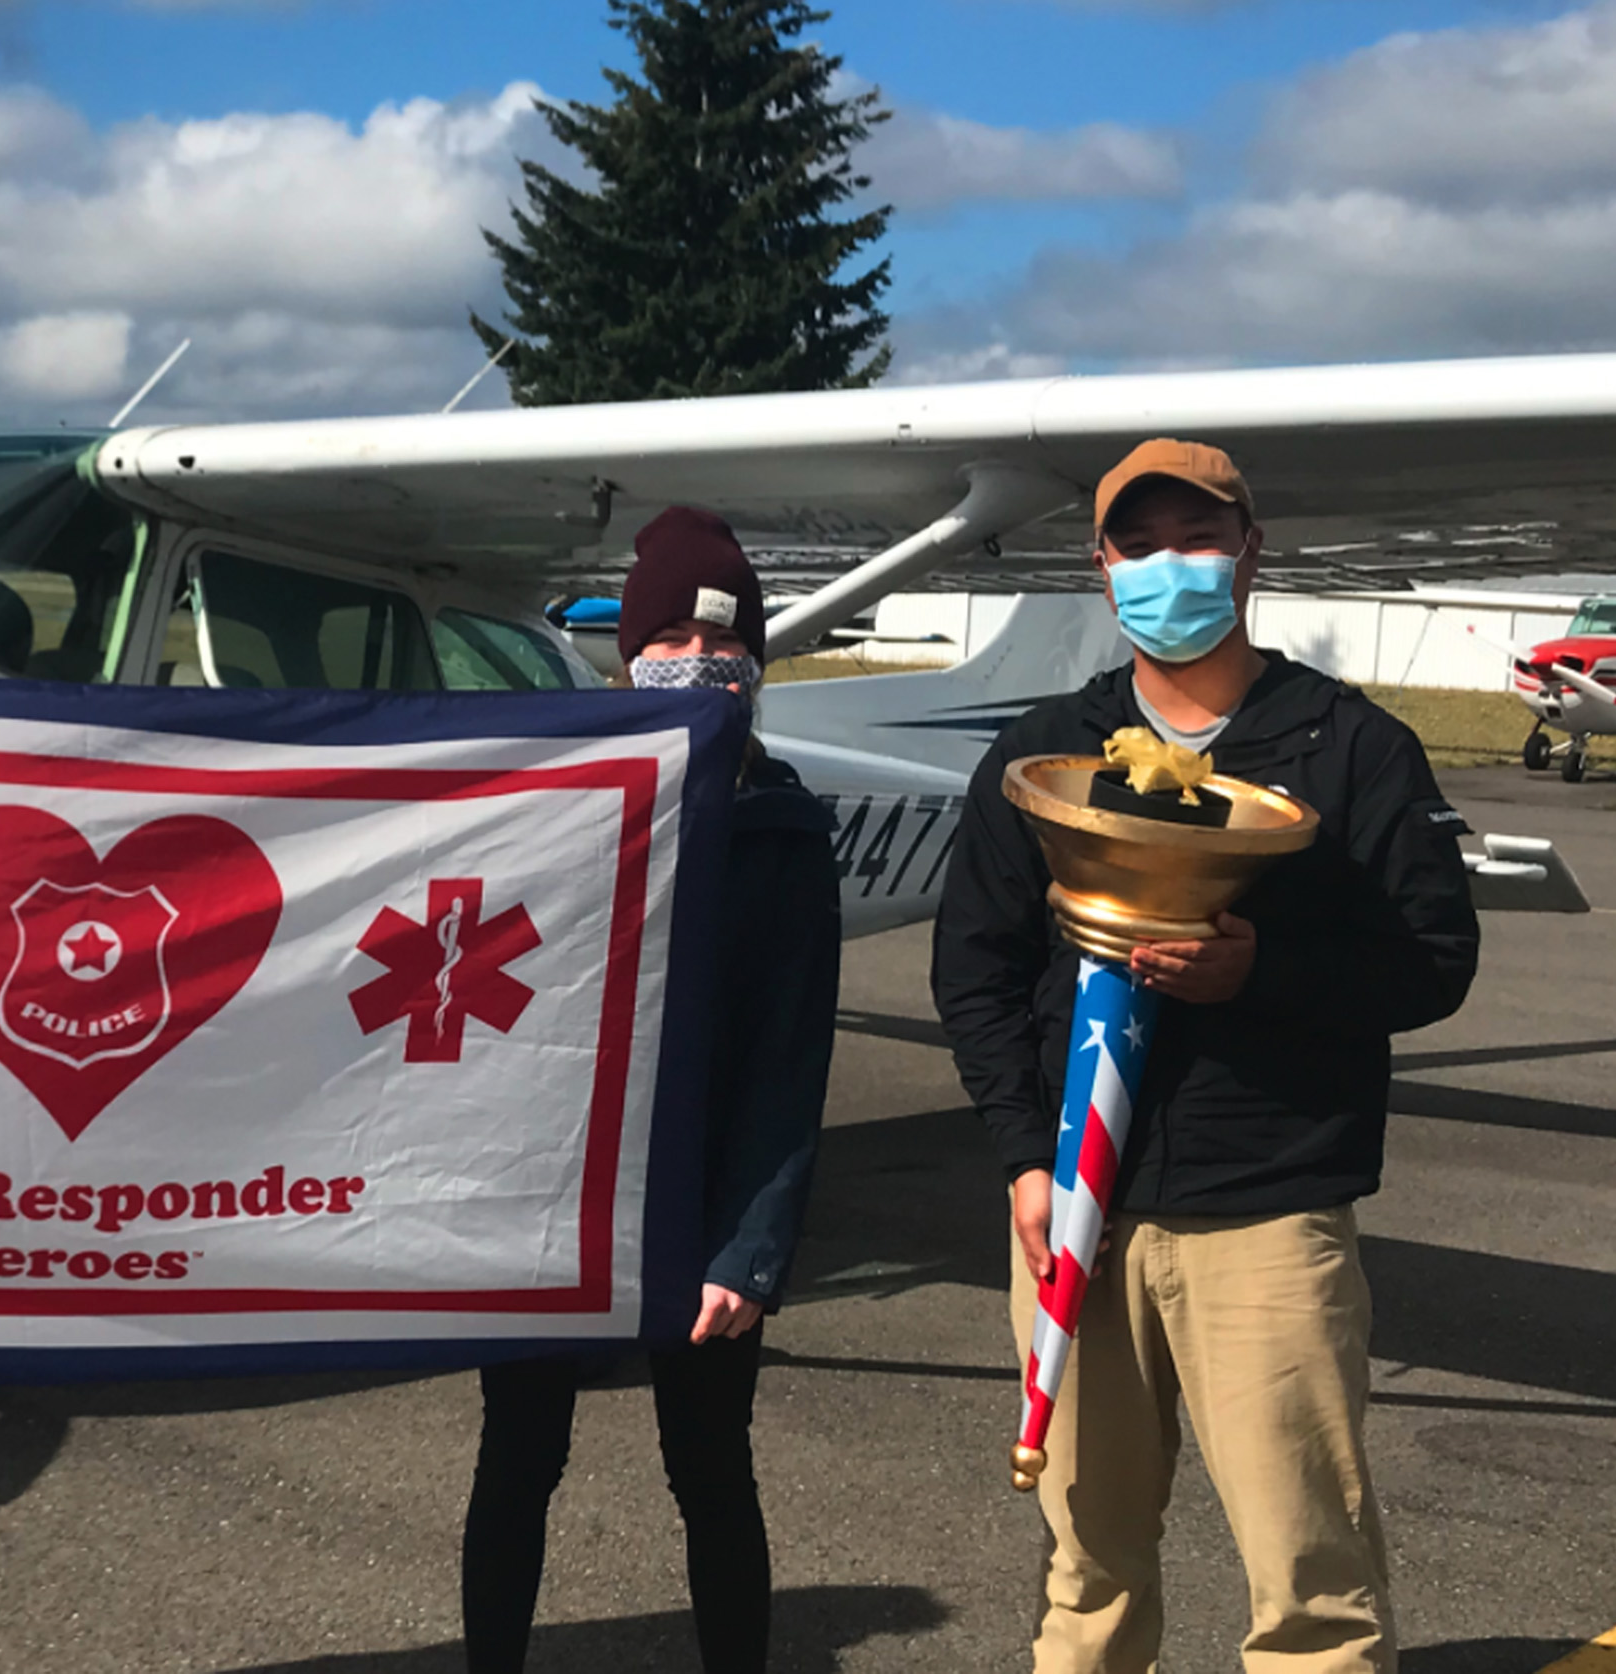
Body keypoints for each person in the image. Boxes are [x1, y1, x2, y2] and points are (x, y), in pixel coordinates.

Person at [931, 440, 1479, 1673]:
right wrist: (1027, 1160)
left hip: (1268, 1218)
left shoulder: (1351, 747)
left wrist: (1259, 977)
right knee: (1086, 1576)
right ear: (1102, 563)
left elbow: (1434, 960)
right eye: (1140, 543)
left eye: (1198, 538)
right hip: (1078, 1212)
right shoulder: (1046, 754)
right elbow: (974, 972)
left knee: (1312, 1588)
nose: (1168, 566)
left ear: (1250, 553)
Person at [460, 506, 841, 1674]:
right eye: (667, 633)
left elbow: (788, 1065)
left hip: (698, 1214)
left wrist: (753, 1250)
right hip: (550, 1211)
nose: (696, 655)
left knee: (712, 1471)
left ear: (758, 662)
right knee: (517, 1462)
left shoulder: (782, 833)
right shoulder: (554, 811)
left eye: (721, 637)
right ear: (627, 657)